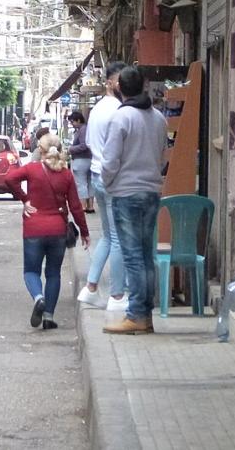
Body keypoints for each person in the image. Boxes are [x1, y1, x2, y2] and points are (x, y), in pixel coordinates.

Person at [102, 66, 168, 335]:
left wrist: (108, 183)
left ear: (119, 88)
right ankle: (145, 314)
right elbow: (162, 155)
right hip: (151, 192)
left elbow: (110, 160)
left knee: (133, 257)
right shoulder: (159, 118)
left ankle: (136, 315)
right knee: (146, 255)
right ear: (144, 86)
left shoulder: (121, 118)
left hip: (126, 193)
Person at [4, 133, 89, 330]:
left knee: (31, 271)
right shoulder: (66, 174)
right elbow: (76, 207)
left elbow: (9, 178)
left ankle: (38, 297)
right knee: (53, 273)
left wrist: (24, 199)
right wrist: (84, 232)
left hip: (34, 227)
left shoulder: (32, 169)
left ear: (40, 150)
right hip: (58, 229)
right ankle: (49, 317)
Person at [77, 61, 129, 311]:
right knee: (118, 239)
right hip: (111, 179)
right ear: (109, 82)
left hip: (98, 175)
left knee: (108, 237)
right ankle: (117, 296)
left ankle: (91, 287)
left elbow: (89, 142)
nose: (123, 84)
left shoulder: (97, 109)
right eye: (119, 80)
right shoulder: (118, 110)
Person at [67, 111, 95, 213]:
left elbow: (84, 145)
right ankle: (90, 206)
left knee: (81, 183)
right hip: (90, 159)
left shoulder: (82, 130)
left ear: (78, 120)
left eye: (72, 122)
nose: (72, 124)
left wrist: (71, 149)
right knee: (90, 183)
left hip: (81, 160)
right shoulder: (87, 129)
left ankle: (83, 206)